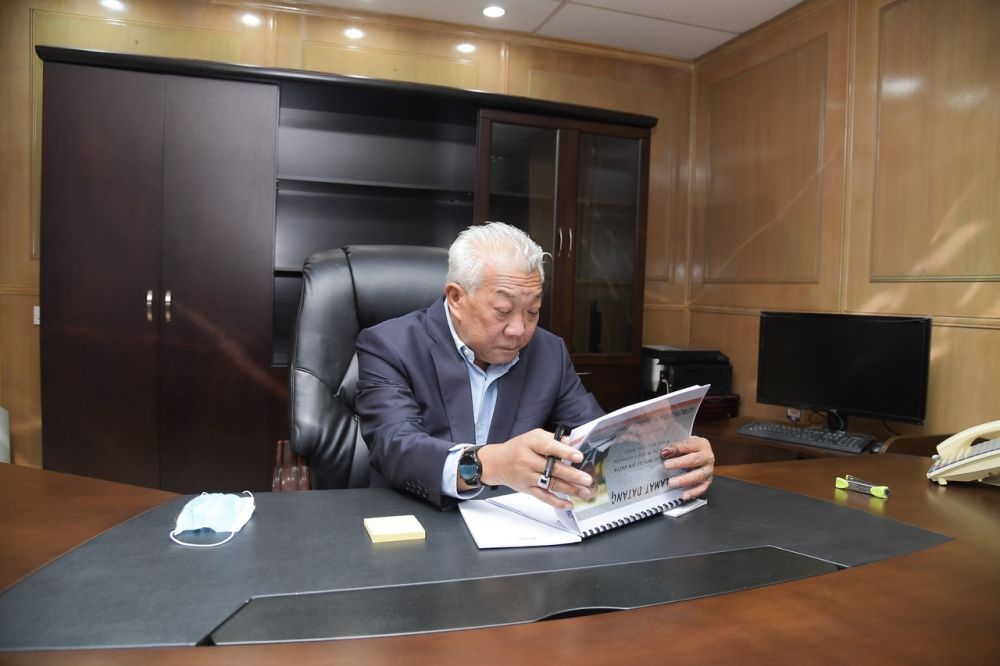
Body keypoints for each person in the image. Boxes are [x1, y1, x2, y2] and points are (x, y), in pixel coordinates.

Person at [356, 222, 715, 509]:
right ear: (456, 298)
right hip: (416, 525)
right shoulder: (390, 345)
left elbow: (598, 441)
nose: (519, 330)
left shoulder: (548, 351)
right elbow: (396, 445)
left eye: (532, 311)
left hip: (518, 530)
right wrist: (491, 464)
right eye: (503, 311)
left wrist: (671, 458)